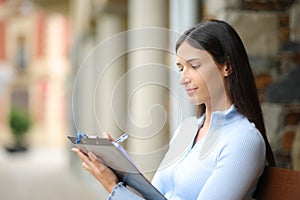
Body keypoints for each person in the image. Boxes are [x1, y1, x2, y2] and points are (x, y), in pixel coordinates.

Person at [72, 19, 276, 200]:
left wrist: (113, 187)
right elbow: (158, 194)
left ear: (227, 67)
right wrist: (121, 169)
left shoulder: (243, 139)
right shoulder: (187, 130)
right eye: (180, 68)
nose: (183, 78)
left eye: (194, 66)